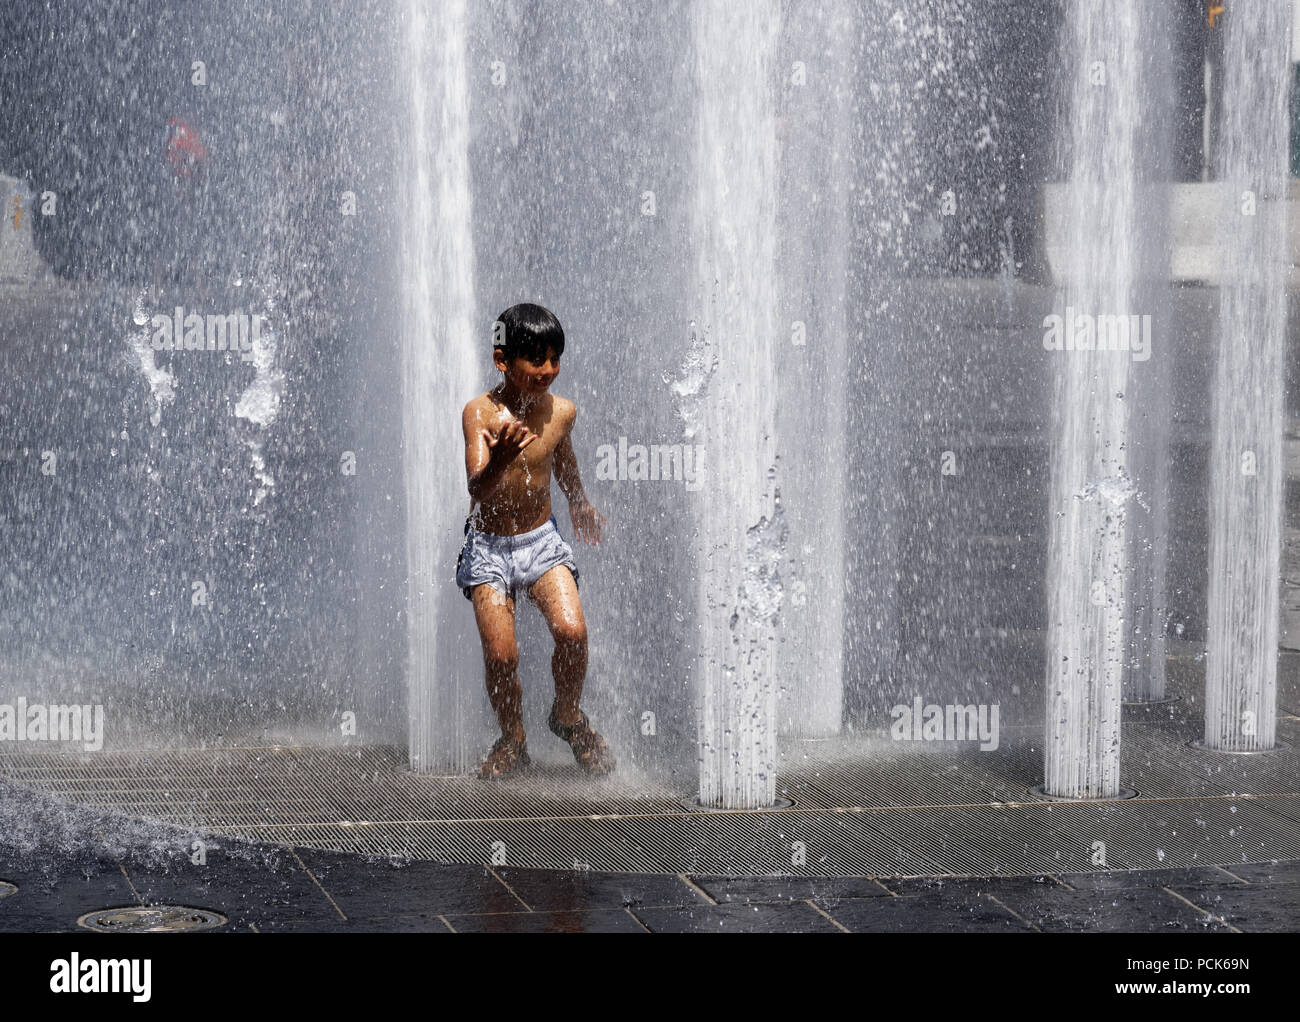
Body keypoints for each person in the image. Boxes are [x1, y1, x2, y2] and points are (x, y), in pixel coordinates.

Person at [456, 303, 613, 778]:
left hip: (541, 542)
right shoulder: (479, 413)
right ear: (503, 360)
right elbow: (477, 489)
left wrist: (579, 502)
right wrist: (499, 459)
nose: (548, 370)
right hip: (489, 546)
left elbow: (562, 459)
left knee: (572, 632)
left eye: (555, 359)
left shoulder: (561, 412)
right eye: (536, 360)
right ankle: (513, 738)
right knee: (502, 655)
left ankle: (566, 716)